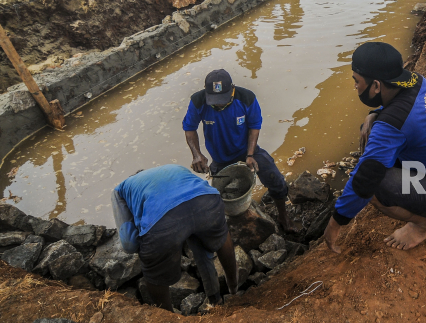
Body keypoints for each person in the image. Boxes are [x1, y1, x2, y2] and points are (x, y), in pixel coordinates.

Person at [323, 42, 426, 253]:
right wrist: (375, 113)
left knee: (374, 185)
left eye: (357, 82)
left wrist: (335, 224)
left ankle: (424, 226)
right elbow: (402, 113)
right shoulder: (417, 82)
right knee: (371, 134)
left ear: (376, 86)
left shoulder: (392, 124)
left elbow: (364, 181)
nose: (355, 87)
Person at [183, 69, 299, 232]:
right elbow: (189, 128)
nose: (219, 104)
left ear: (233, 89)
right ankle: (237, 229)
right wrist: (197, 155)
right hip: (220, 158)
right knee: (222, 198)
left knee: (276, 180)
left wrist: (250, 155)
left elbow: (254, 126)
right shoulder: (198, 101)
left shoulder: (246, 98)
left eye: (222, 99)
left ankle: (283, 216)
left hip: (247, 151)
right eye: (214, 100)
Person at [112, 164, 238, 310]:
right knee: (210, 239)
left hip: (165, 221)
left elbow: (129, 244)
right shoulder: (173, 168)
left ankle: (168, 316)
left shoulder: (120, 190)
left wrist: (149, 244)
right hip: (207, 201)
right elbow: (187, 206)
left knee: (154, 272)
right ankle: (229, 292)